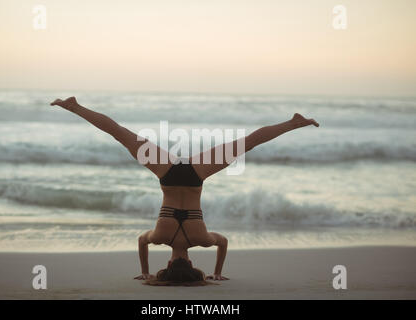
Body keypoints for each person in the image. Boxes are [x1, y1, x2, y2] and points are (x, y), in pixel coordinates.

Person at [50, 96, 319, 285]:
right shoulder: (160, 236)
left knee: (246, 144)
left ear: (192, 266)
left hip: (195, 177)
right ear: (166, 266)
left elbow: (223, 243)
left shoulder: (201, 238)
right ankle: (75, 107)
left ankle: (293, 123)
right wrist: (144, 272)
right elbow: (141, 241)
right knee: (120, 134)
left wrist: (216, 272)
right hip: (167, 175)